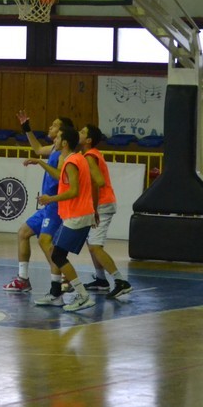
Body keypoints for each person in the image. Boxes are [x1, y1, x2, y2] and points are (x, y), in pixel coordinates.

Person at [3, 113, 74, 299]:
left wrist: (41, 163)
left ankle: (63, 279)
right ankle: (23, 279)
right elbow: (37, 148)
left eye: (55, 125)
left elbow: (60, 176)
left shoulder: (64, 155)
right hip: (48, 206)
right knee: (23, 233)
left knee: (46, 243)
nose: (50, 127)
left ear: (63, 132)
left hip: (56, 205)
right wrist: (27, 129)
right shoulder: (55, 148)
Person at [32, 126, 97, 312]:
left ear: (65, 142)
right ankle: (56, 293)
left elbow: (74, 191)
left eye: (58, 137)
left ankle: (82, 295)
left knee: (57, 255)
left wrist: (50, 199)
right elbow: (63, 178)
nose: (55, 140)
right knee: (55, 251)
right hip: (76, 214)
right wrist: (40, 162)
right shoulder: (76, 159)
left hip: (77, 215)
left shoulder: (71, 162)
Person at [79, 124, 133, 299]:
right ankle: (101, 280)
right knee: (91, 244)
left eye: (82, 132)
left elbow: (98, 182)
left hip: (101, 205)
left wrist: (93, 208)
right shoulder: (90, 154)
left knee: (96, 246)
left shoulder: (90, 156)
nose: (79, 133)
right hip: (99, 204)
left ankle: (120, 281)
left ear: (88, 140)